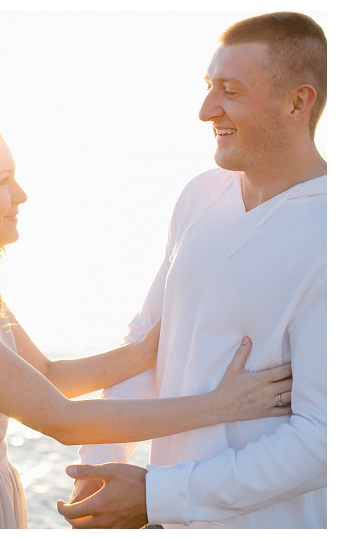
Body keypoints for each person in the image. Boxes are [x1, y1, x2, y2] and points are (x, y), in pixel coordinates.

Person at [0, 116, 293, 529]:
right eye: (4, 181)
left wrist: (140, 354)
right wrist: (222, 405)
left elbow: (47, 376)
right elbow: (61, 419)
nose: (22, 194)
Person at [58, 11, 326, 529]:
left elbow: (322, 439)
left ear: (297, 102)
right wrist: (99, 464)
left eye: (229, 91)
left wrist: (158, 495)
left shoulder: (325, 232)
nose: (206, 110)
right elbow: (146, 344)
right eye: (208, 87)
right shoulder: (200, 195)